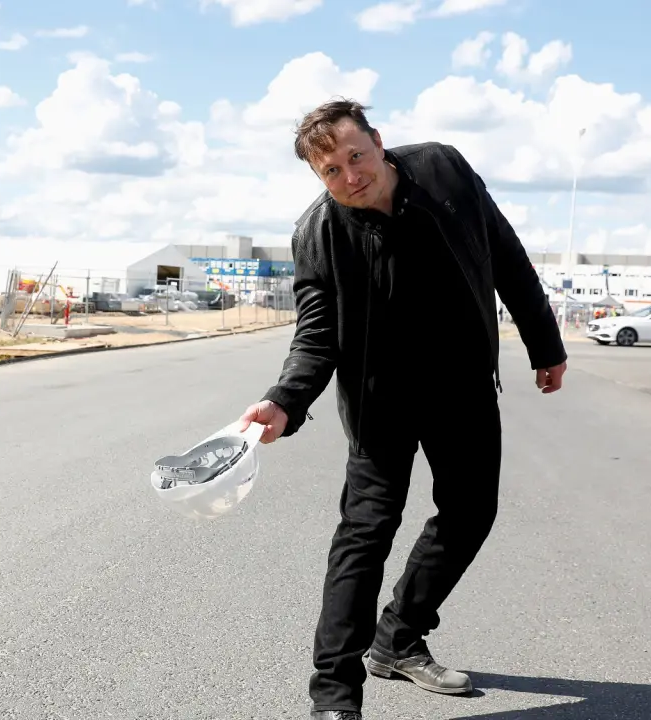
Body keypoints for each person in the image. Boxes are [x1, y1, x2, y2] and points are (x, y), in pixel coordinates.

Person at [237, 99, 568, 720]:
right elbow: (317, 336)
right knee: (365, 534)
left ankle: (399, 635)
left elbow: (506, 254)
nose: (350, 177)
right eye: (331, 171)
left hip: (462, 388)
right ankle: (334, 697)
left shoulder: (444, 170)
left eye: (355, 156)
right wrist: (284, 401)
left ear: (378, 141)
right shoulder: (318, 234)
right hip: (379, 401)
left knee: (471, 513)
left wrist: (544, 343)